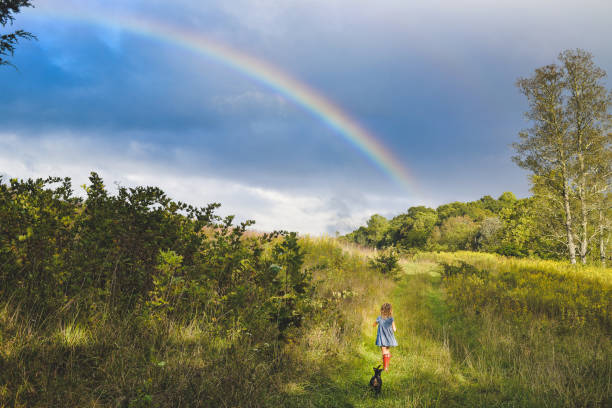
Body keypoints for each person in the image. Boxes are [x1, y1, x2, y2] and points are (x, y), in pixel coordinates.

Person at [373, 302, 397, 371]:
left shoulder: (379, 318)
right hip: (389, 338)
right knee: (387, 350)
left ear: (382, 310)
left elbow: (374, 324)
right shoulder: (391, 319)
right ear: (390, 311)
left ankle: (385, 367)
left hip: (382, 338)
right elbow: (394, 329)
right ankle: (387, 363)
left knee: (384, 351)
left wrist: (375, 324)